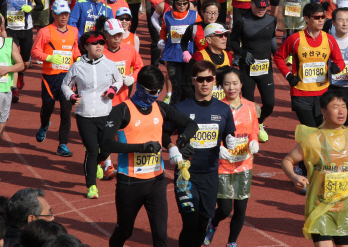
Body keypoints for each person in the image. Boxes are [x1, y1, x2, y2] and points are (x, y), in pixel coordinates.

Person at [101, 66, 199, 247]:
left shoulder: (160, 108)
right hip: (130, 182)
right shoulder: (122, 110)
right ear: (139, 87)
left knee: (161, 234)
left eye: (158, 91)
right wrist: (141, 148)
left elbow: (191, 124)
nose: (155, 95)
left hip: (156, 181)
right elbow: (105, 144)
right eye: (151, 91)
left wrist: (182, 142)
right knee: (125, 230)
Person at [282, 89, 348, 247]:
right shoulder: (312, 139)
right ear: (323, 111)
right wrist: (294, 177)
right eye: (335, 107)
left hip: (346, 209)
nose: (341, 111)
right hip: (320, 208)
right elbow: (288, 160)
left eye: (344, 106)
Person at [166, 61, 237, 247]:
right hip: (185, 175)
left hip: (211, 174)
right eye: (200, 79)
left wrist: (230, 140)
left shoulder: (223, 109)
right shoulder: (181, 108)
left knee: (203, 222)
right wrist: (171, 146)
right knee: (190, 222)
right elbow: (164, 132)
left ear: (214, 81)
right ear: (193, 81)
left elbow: (230, 133)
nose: (204, 83)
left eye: (209, 79)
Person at [61, 32, 123, 199]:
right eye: (94, 43)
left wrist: (113, 89)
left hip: (105, 113)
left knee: (106, 148)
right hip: (84, 115)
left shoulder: (109, 64)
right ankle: (91, 187)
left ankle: (96, 164)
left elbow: (119, 80)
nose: (99, 46)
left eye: (102, 43)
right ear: (86, 47)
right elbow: (65, 86)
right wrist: (71, 96)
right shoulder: (77, 66)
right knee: (92, 151)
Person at [203, 67, 260, 247]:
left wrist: (254, 141)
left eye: (235, 83)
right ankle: (213, 223)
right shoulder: (217, 107)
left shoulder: (251, 107)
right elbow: (212, 134)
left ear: (241, 84)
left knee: (241, 208)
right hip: (222, 164)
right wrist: (219, 147)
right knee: (226, 208)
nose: (231, 88)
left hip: (244, 163)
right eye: (227, 84)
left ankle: (232, 243)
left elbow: (253, 129)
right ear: (221, 86)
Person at [273, 2, 345, 129]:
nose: (321, 20)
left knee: (319, 128)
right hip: (301, 93)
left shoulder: (329, 39)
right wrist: (289, 76)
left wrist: (337, 68)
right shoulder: (295, 39)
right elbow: (278, 57)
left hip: (322, 93)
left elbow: (340, 61)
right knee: (310, 130)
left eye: (323, 17)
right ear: (306, 19)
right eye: (317, 17)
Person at [31, 0, 79, 157]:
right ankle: (44, 125)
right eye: (60, 14)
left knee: (66, 112)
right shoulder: (45, 32)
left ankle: (63, 145)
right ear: (53, 14)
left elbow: (75, 49)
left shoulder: (74, 31)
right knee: (48, 108)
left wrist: (78, 58)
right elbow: (35, 53)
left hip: (68, 78)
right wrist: (49, 58)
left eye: (66, 14)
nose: (63, 17)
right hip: (50, 78)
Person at [230, 0, 277, 140]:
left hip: (265, 67)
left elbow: (273, 38)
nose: (261, 9)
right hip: (247, 68)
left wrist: (277, 53)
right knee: (249, 103)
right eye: (258, 7)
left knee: (269, 103)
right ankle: (252, 130)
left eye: (264, 7)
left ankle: (259, 122)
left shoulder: (271, 20)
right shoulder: (242, 21)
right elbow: (232, 42)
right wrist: (243, 53)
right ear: (251, 5)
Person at [0, 0, 43, 99]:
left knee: (24, 63)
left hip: (26, 29)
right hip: (10, 29)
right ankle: (14, 89)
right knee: (13, 59)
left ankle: (21, 75)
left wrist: (31, 8)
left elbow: (40, 6)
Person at [157, 0, 198, 104]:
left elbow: (199, 33)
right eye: (179, 3)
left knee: (188, 87)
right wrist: (161, 39)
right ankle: (174, 112)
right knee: (176, 88)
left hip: (189, 56)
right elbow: (164, 30)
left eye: (185, 3)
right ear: (174, 3)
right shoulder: (167, 15)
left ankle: (189, 109)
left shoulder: (194, 16)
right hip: (172, 56)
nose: (182, 6)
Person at [0, 28, 23, 141]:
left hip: (4, 90)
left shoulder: (9, 44)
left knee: (2, 121)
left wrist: (6, 69)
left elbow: (20, 65)